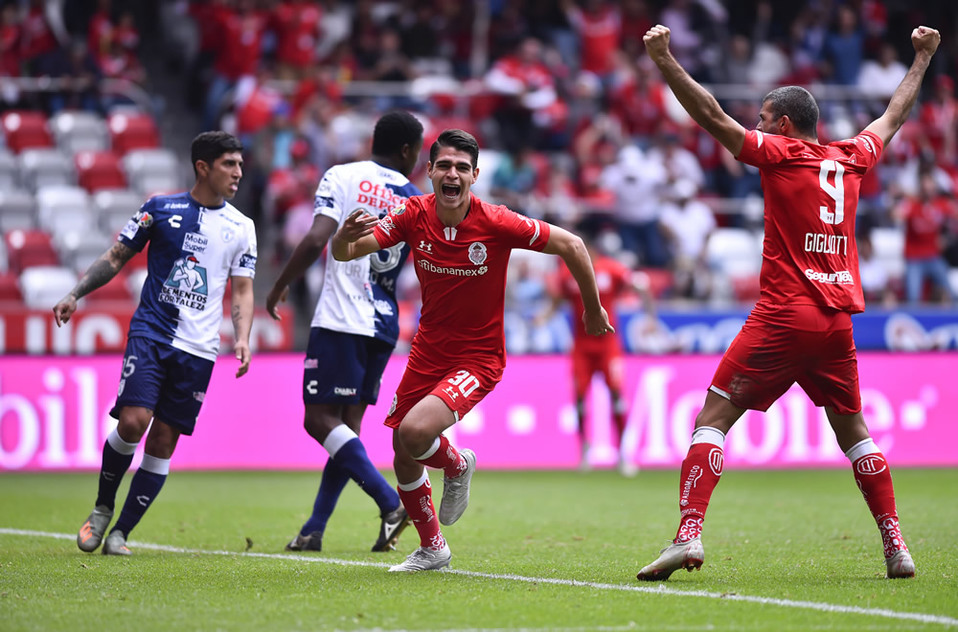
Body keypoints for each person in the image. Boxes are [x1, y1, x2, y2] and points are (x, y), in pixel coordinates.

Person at [636, 24, 940, 581]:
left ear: (782, 124)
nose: (755, 126)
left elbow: (712, 118)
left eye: (761, 119)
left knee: (713, 418)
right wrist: (922, 58)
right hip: (836, 321)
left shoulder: (781, 155)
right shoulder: (850, 158)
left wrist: (665, 60)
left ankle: (688, 535)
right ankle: (897, 544)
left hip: (784, 314)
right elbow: (893, 116)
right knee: (855, 431)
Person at [331, 129, 613, 572]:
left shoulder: (496, 221)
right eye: (444, 165)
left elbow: (572, 244)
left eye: (462, 167)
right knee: (402, 452)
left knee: (415, 433)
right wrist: (341, 237)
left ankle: (458, 464)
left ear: (475, 175)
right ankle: (433, 549)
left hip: (478, 358)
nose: (452, 173)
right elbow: (349, 253)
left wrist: (593, 310)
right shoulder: (411, 213)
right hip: (427, 351)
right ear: (429, 172)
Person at [54, 131, 257, 555]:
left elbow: (241, 289)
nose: (238, 172)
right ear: (203, 167)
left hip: (199, 350)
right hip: (152, 333)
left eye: (240, 164)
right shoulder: (159, 209)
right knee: (133, 422)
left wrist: (241, 336)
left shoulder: (243, 227)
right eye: (229, 164)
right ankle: (103, 507)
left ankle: (120, 533)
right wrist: (75, 293)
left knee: (164, 441)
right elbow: (116, 256)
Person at [265, 110, 424, 553]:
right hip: (382, 323)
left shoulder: (342, 176)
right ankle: (314, 529)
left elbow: (318, 239)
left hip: (339, 317)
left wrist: (280, 285)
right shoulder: (415, 199)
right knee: (346, 432)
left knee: (318, 420)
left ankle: (392, 502)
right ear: (409, 151)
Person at [540, 232, 656, 476]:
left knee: (617, 397)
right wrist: (545, 316)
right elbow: (558, 300)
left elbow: (641, 285)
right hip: (581, 348)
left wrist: (650, 317)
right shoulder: (567, 273)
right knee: (580, 401)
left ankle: (623, 453)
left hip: (607, 346)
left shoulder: (610, 269)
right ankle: (584, 450)